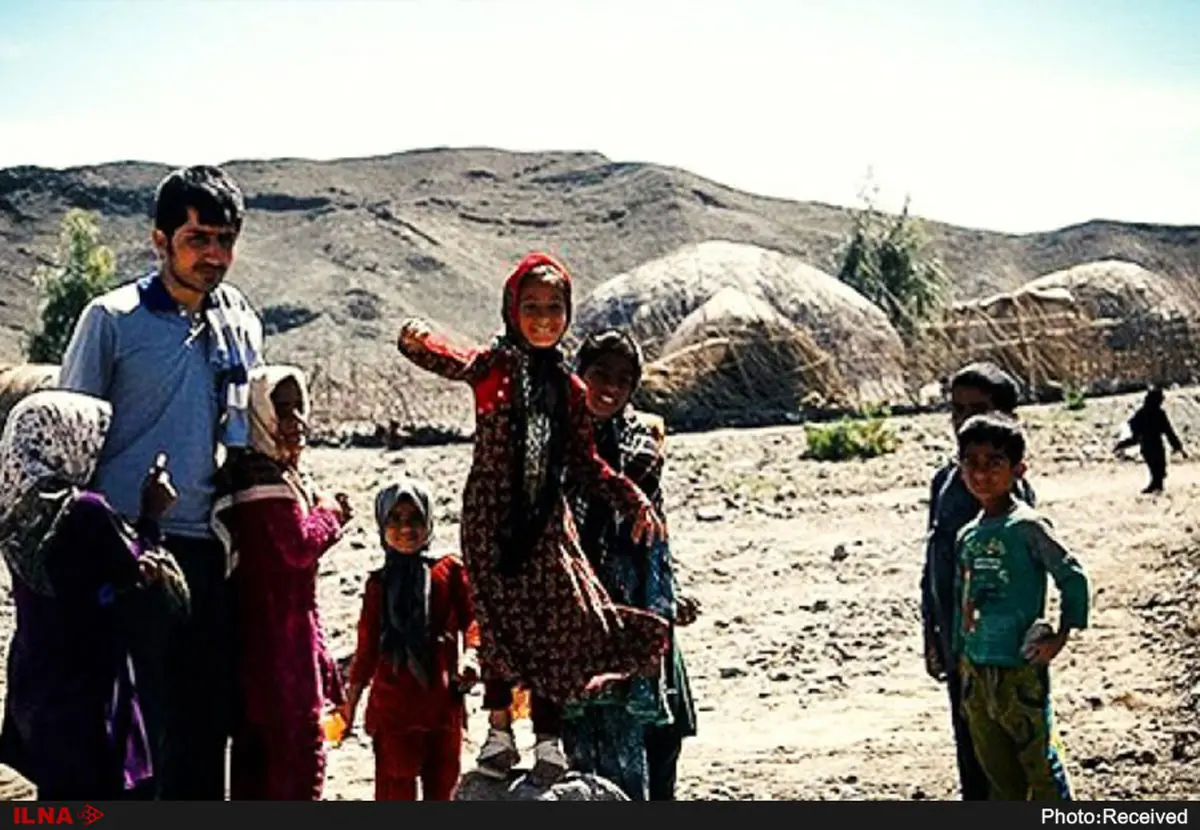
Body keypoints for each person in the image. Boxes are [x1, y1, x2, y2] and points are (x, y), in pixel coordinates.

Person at [395, 252, 669, 786]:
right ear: (511, 309)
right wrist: (416, 340)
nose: (543, 318)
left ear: (567, 313)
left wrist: (631, 498)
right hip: (490, 519)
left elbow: (585, 463)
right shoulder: (492, 368)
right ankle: (499, 735)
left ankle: (548, 739)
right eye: (531, 306)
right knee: (497, 624)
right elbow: (449, 358)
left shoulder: (569, 390)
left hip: (546, 522)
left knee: (553, 621)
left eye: (554, 307)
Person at [58, 164, 263, 800]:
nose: (214, 255)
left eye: (224, 239)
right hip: (126, 551)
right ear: (159, 239)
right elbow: (66, 443)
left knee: (205, 725)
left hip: (209, 547)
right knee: (135, 729)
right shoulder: (111, 320)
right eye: (197, 238)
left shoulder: (241, 326)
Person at [0, 391, 189, 799]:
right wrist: (153, 515)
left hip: (36, 689)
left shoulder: (19, 512)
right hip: (90, 697)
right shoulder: (85, 511)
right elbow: (137, 574)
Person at [561, 329, 699, 801]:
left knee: (658, 746)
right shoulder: (554, 448)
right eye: (600, 373)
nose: (610, 387)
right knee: (582, 758)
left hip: (641, 610)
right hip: (574, 622)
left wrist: (668, 598)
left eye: (624, 379)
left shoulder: (642, 451)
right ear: (578, 376)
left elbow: (655, 539)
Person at [211, 366, 350, 800]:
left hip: (265, 635)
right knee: (298, 750)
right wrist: (331, 513)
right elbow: (298, 547)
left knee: (260, 755)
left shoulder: (259, 471)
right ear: (260, 414)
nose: (293, 421)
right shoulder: (262, 479)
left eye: (297, 407)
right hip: (279, 642)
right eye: (281, 408)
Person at [953, 412, 1090, 800]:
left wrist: (1061, 635)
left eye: (994, 463)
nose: (981, 474)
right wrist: (961, 660)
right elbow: (963, 600)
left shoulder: (1027, 526)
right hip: (978, 674)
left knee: (1040, 769)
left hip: (1020, 671)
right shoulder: (967, 535)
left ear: (1018, 469)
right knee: (999, 775)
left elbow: (1073, 576)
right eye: (971, 463)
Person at [920, 362, 1035, 800]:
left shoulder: (1009, 492)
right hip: (958, 643)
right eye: (957, 409)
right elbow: (933, 564)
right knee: (970, 747)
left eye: (979, 408)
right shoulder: (947, 481)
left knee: (1012, 755)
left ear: (1008, 417)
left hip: (1001, 648)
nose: (964, 419)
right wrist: (931, 632)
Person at [343, 478, 480, 801]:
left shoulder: (449, 571)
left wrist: (472, 655)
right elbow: (366, 650)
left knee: (443, 790)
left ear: (429, 521)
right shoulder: (378, 583)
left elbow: (474, 619)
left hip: (442, 707)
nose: (406, 529)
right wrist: (349, 704)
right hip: (393, 712)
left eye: (415, 519)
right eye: (395, 519)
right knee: (395, 791)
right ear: (381, 524)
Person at [1115, 386, 1187, 494]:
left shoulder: (1144, 413)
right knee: (1157, 465)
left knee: (1156, 466)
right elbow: (1169, 432)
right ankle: (1156, 484)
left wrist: (1123, 444)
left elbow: (1134, 431)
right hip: (1153, 445)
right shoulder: (1156, 414)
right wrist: (1178, 447)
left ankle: (1156, 484)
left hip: (1148, 445)